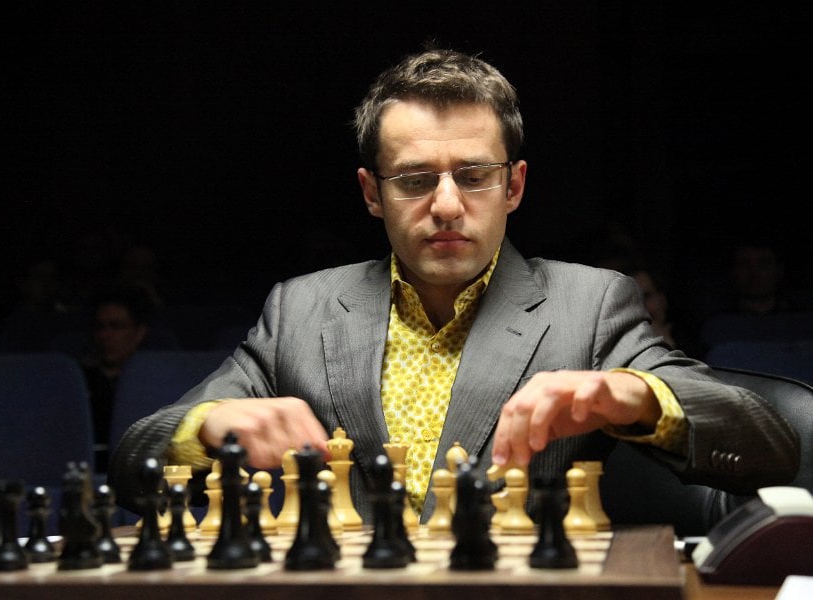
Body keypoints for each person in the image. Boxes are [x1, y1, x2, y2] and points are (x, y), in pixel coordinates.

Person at [109, 48, 799, 525]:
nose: (445, 205)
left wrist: (633, 395)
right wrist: (207, 427)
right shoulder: (302, 309)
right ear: (371, 193)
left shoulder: (589, 306)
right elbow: (135, 461)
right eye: (414, 180)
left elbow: (769, 443)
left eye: (473, 176)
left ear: (514, 186)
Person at [81, 284, 154, 472]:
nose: (105, 335)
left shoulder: (153, 383)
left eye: (116, 327)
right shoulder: (81, 383)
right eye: (100, 327)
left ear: (139, 333)